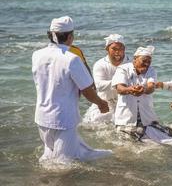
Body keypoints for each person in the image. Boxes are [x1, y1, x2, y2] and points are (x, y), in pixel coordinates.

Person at [32, 16, 112, 164]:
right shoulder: (71, 59)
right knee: (63, 165)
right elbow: (88, 91)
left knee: (49, 157)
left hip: (42, 117)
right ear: (70, 36)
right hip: (63, 119)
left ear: (50, 35)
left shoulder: (36, 55)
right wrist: (101, 103)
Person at [111, 46, 172, 147]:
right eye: (144, 61)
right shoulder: (123, 69)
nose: (147, 64)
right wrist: (130, 90)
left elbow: (151, 87)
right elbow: (120, 88)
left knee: (170, 133)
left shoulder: (151, 71)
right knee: (146, 142)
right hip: (126, 120)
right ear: (135, 59)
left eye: (149, 62)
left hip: (147, 119)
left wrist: (143, 90)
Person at [83, 34, 129, 123]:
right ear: (107, 49)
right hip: (104, 103)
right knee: (91, 128)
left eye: (121, 49)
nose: (118, 52)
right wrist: (119, 83)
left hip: (126, 103)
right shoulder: (100, 64)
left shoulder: (131, 63)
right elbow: (99, 86)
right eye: (114, 49)